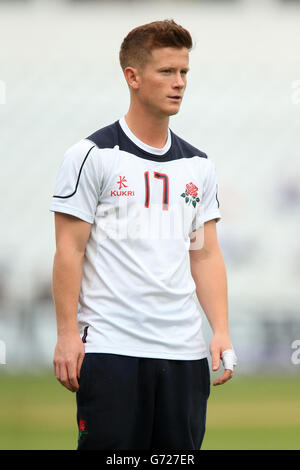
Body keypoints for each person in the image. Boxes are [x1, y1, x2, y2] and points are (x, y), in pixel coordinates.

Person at [50, 19, 237, 451]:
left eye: (184, 72)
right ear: (132, 77)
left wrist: (221, 330)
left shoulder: (198, 165)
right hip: (112, 350)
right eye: (167, 72)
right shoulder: (92, 156)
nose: (179, 83)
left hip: (184, 354)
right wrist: (65, 336)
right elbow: (68, 250)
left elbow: (204, 254)